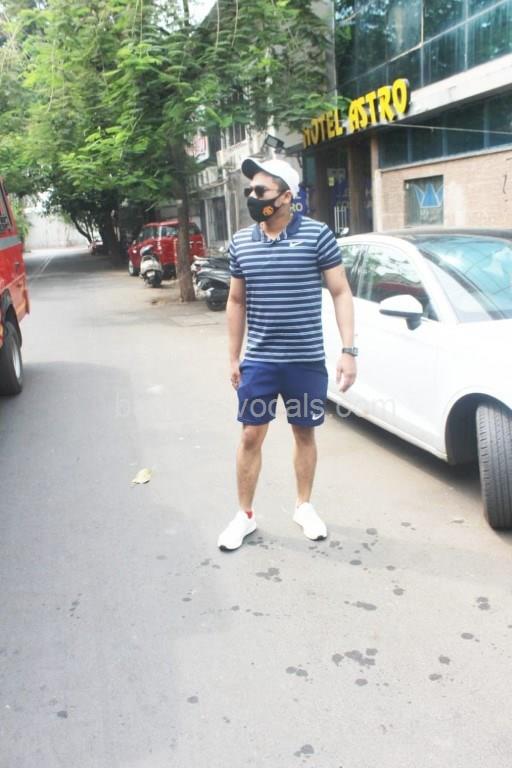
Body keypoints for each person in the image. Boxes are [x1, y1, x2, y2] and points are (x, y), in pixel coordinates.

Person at [217, 157, 357, 551]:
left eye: (261, 190)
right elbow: (236, 300)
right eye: (250, 190)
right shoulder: (242, 242)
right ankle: (245, 515)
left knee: (304, 431)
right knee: (250, 435)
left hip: (305, 360)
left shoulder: (317, 235)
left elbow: (341, 291)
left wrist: (348, 350)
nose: (253, 196)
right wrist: (233, 356)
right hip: (260, 360)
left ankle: (304, 506)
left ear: (285, 196)